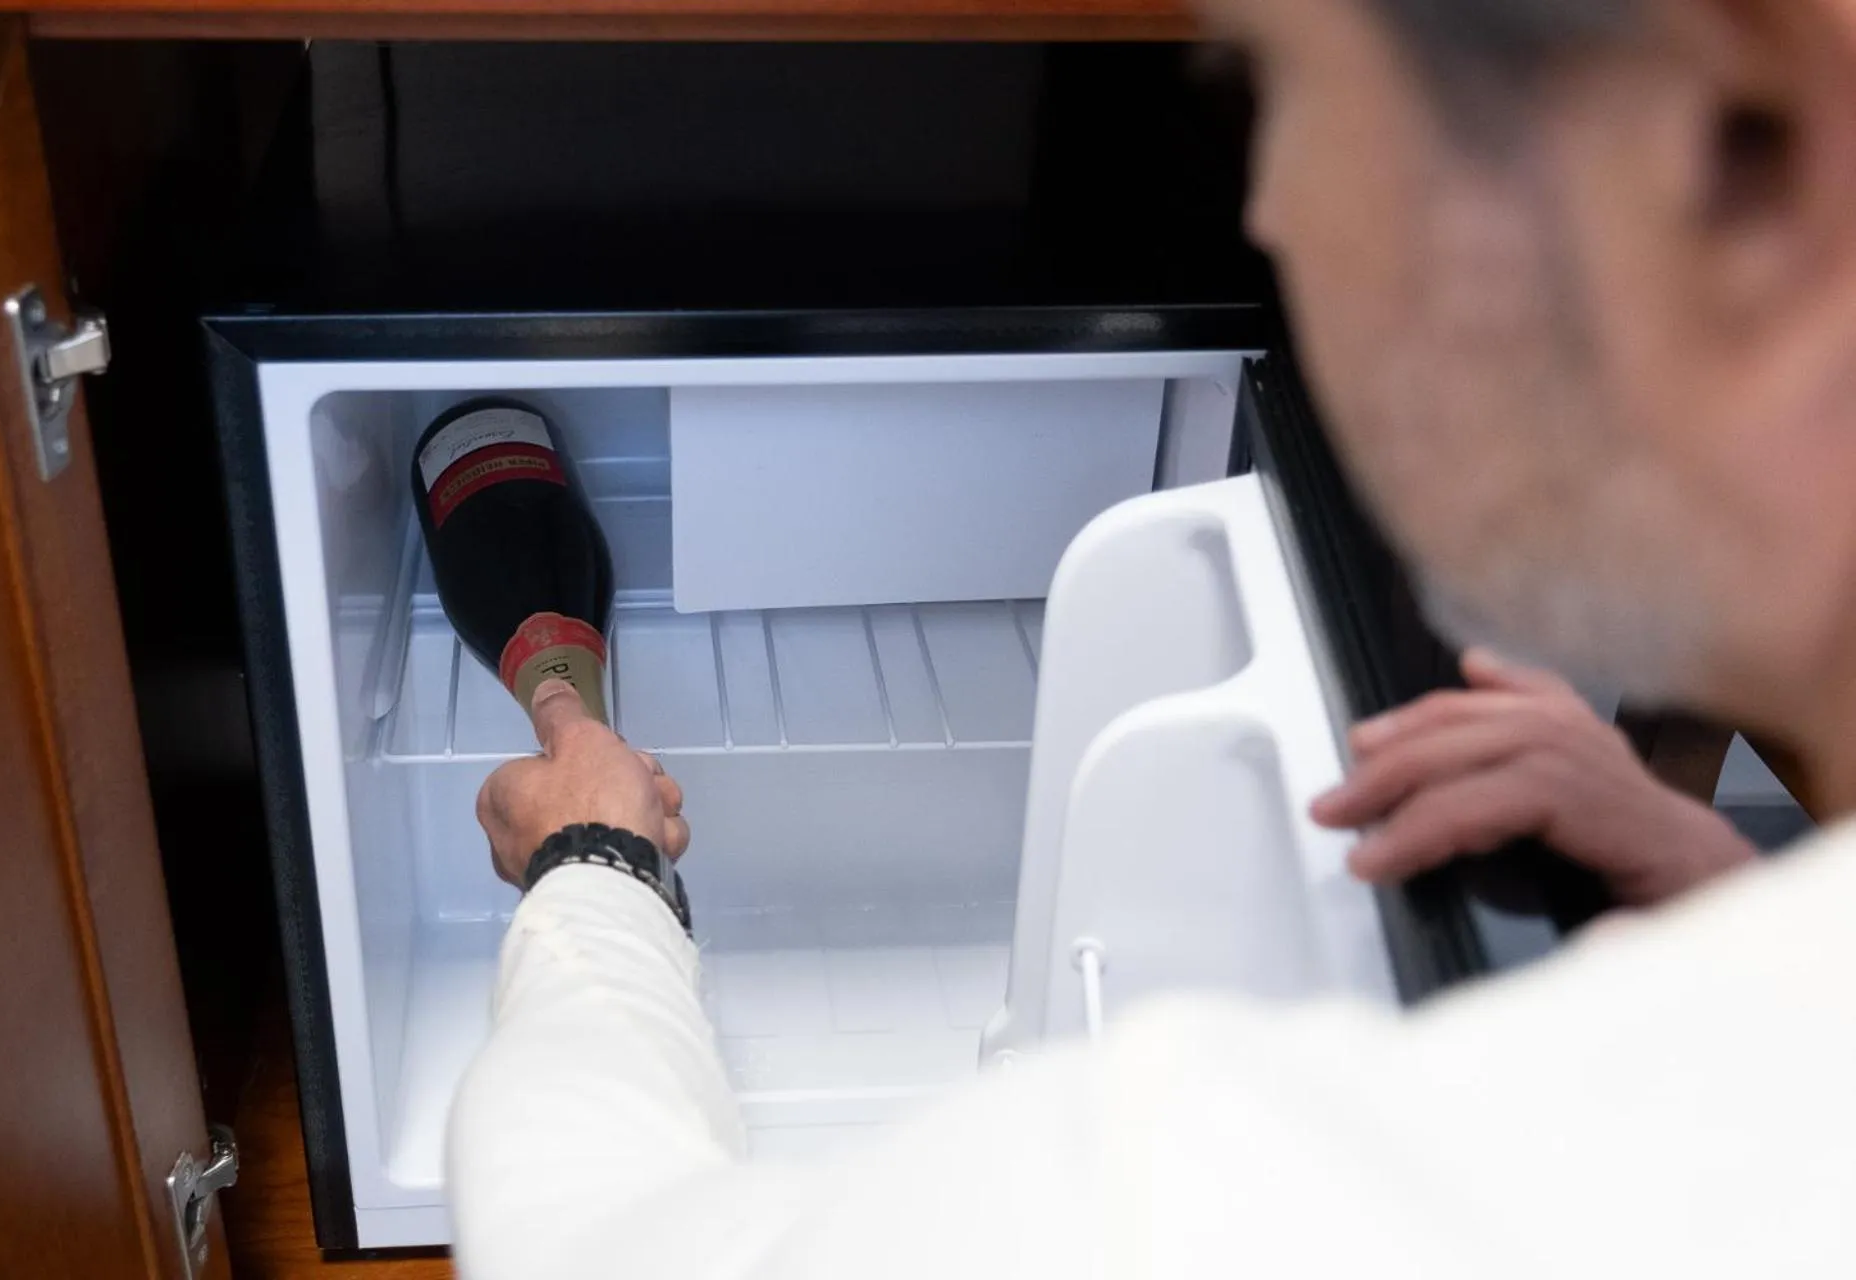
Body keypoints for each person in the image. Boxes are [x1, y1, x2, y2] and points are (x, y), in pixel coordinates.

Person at [448, 0, 1856, 1274]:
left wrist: (593, 864)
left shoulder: (1197, 1197)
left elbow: (580, 1244)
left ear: (1730, 141)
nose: (1274, 207)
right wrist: (1735, 902)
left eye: (1280, 80)